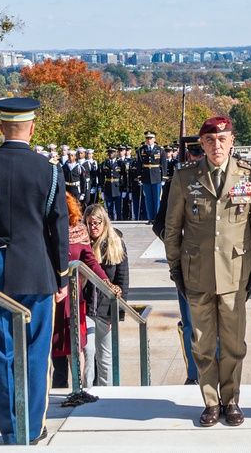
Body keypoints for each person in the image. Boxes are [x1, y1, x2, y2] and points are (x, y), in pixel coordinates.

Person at [0, 97, 68, 445]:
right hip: (36, 269)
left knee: (2, 349)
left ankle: (10, 429)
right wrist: (61, 274)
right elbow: (58, 225)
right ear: (32, 128)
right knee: (35, 351)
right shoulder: (48, 169)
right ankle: (32, 428)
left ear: (2, 129)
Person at [163, 116, 251, 427]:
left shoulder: (248, 175)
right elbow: (173, 229)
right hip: (197, 273)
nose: (216, 145)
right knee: (203, 343)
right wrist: (174, 268)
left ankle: (232, 399)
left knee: (234, 343)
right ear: (203, 144)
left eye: (222, 139)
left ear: (232, 141)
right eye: (210, 140)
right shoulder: (185, 178)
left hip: (236, 273)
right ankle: (211, 401)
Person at [152, 135, 203, 385]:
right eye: (194, 154)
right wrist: (174, 240)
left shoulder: (226, 181)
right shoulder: (176, 183)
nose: (199, 158)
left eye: (201, 153)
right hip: (186, 263)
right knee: (191, 325)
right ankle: (194, 375)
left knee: (218, 327)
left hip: (218, 265)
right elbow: (159, 223)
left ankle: (216, 375)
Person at [51, 193, 111, 389]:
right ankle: (56, 388)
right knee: (51, 345)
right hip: (50, 295)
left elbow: (90, 260)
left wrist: (105, 281)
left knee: (75, 344)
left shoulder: (79, 230)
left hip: (72, 297)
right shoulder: (46, 231)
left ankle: (80, 388)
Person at [83, 204, 129, 387]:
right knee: (88, 351)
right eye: (90, 223)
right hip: (87, 308)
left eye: (97, 223)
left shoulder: (116, 243)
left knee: (105, 356)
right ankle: (85, 391)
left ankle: (106, 393)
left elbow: (122, 280)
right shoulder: (84, 243)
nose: (93, 227)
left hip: (106, 309)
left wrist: (117, 314)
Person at [138, 131, 167, 222]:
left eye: (150, 138)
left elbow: (164, 164)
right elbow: (139, 164)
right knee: (148, 198)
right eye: (147, 138)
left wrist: (164, 177)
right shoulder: (141, 150)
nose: (149, 140)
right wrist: (139, 177)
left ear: (154, 139)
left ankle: (157, 218)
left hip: (156, 176)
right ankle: (150, 217)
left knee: (157, 198)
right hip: (146, 177)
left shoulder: (160, 149)